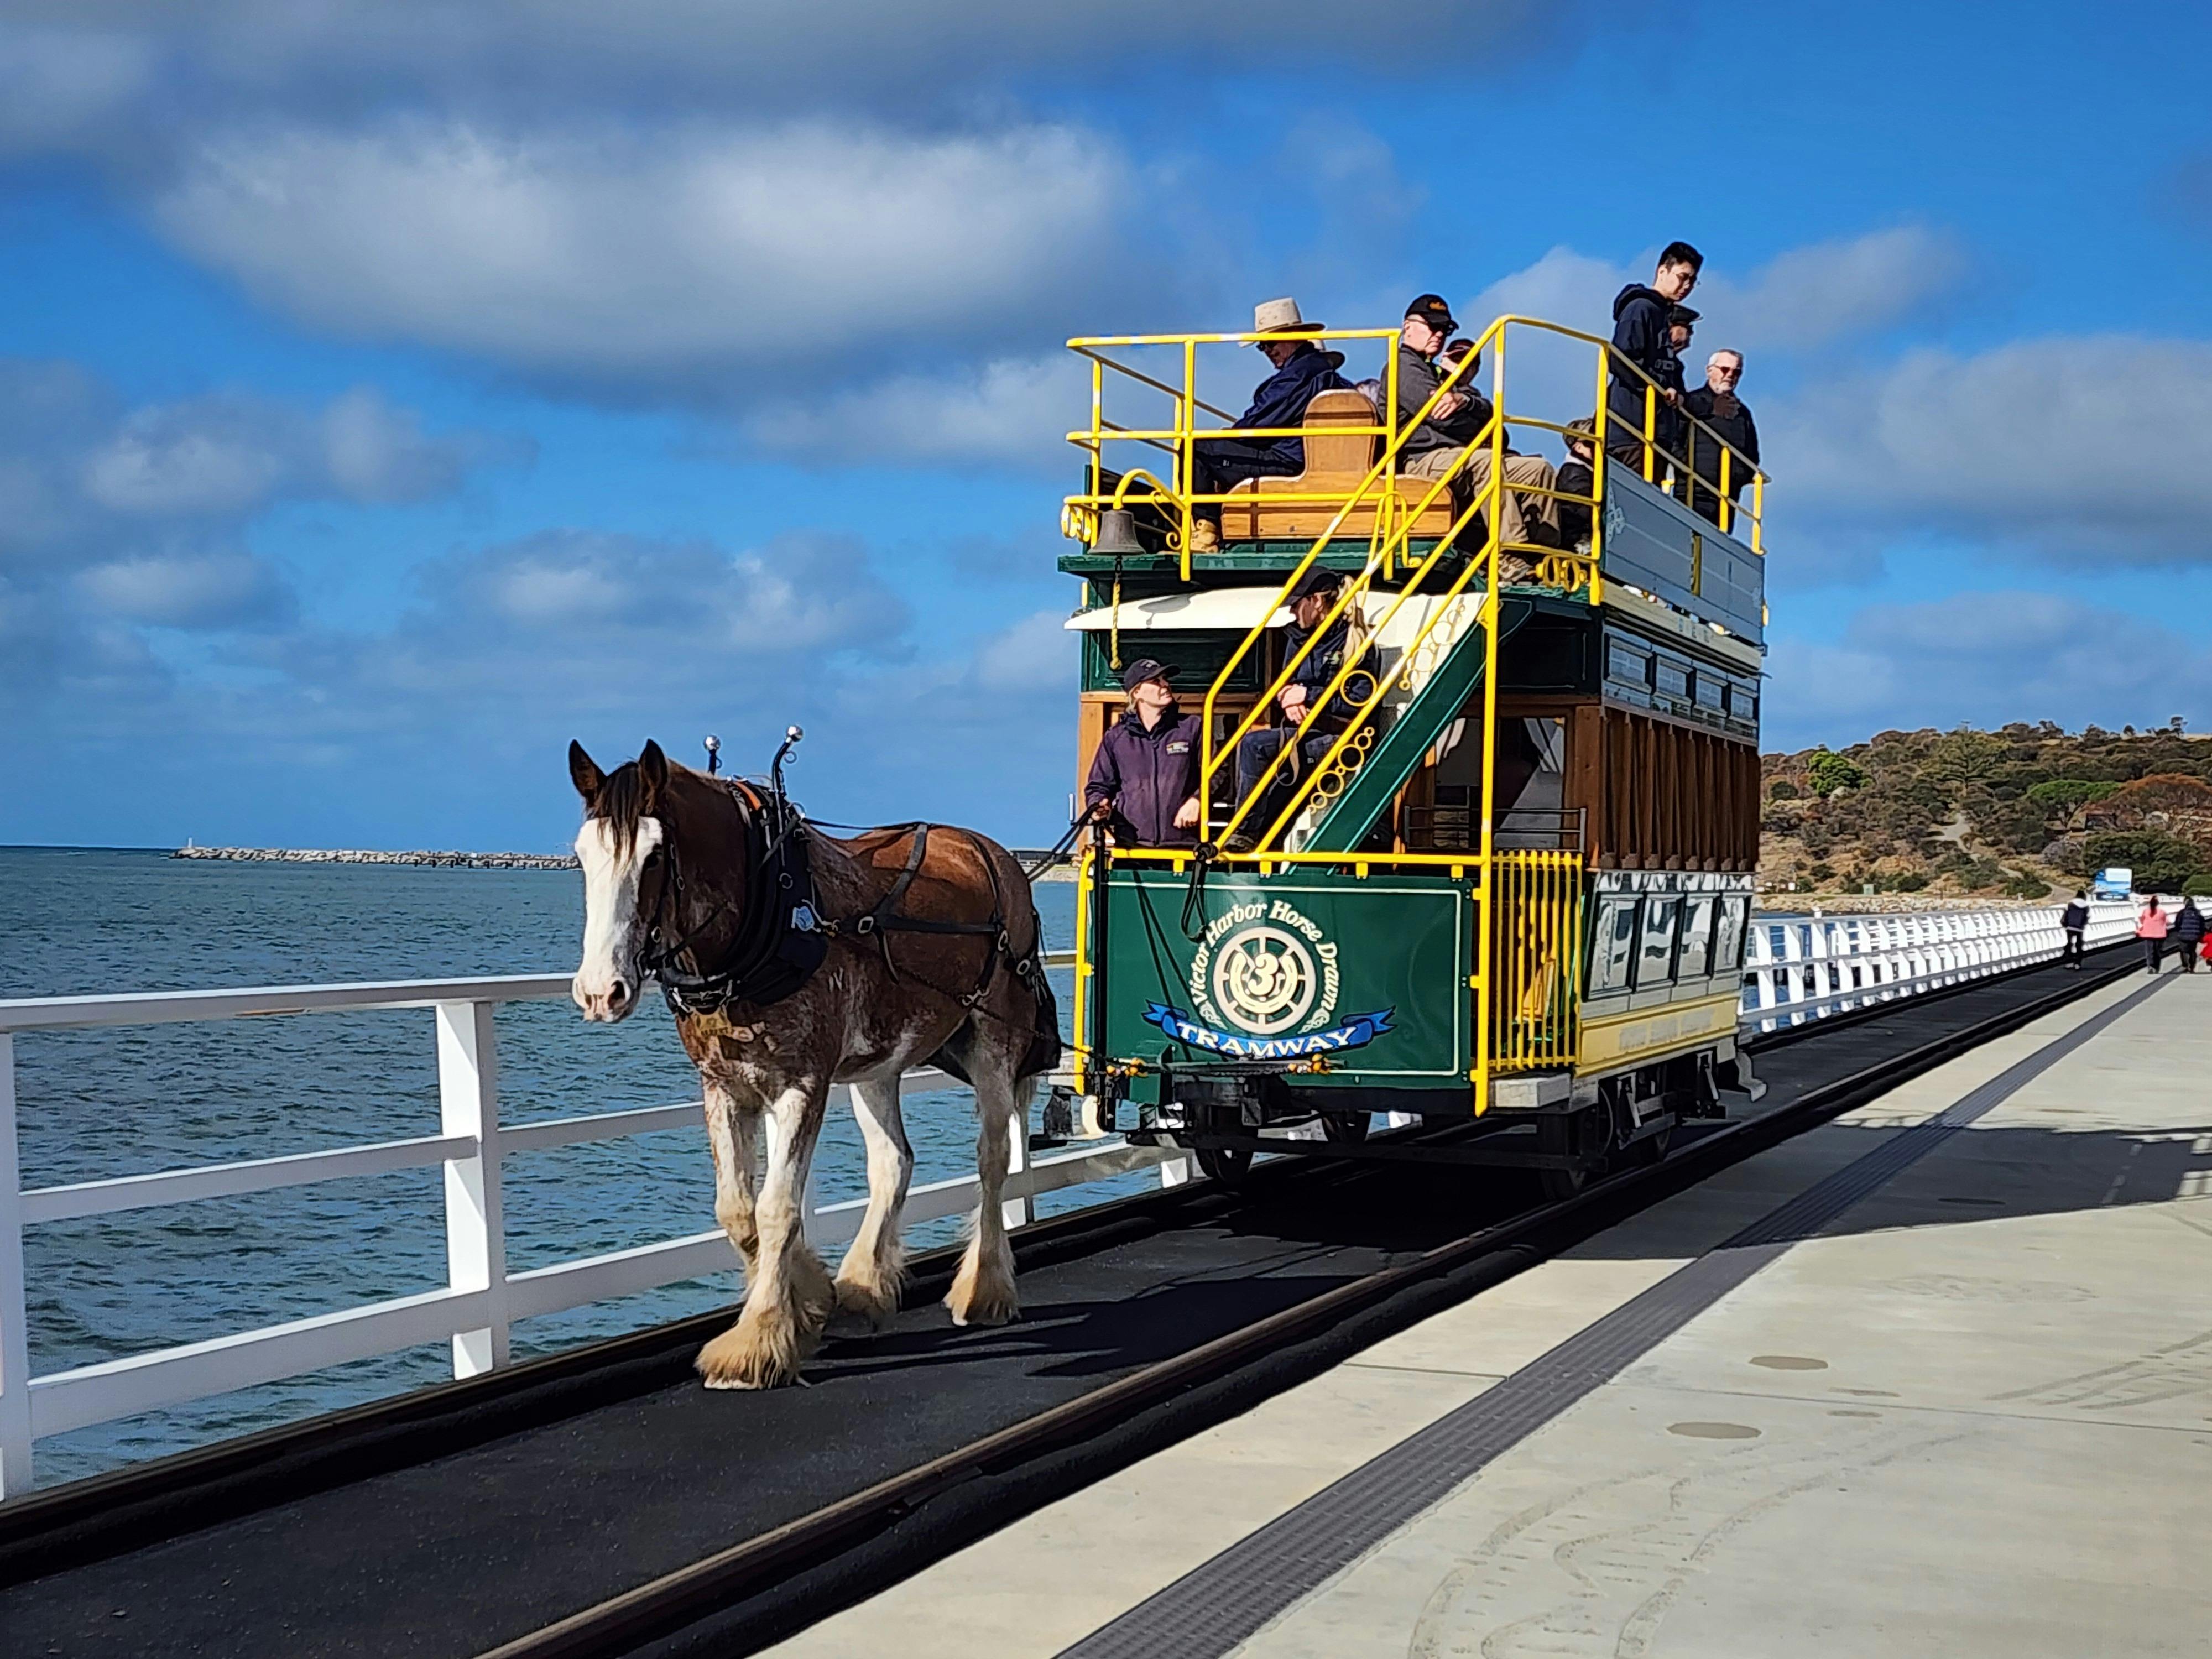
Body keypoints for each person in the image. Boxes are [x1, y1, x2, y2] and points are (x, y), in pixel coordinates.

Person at [1391, 295, 1559, 576]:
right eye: (1432, 326)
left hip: (1456, 458)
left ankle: (1542, 557)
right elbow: (1443, 419)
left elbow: (1488, 418)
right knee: (1485, 460)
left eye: (1444, 329)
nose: (1439, 334)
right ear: (1408, 327)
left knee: (1538, 470)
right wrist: (1472, 418)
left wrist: (1466, 404)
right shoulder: (1404, 367)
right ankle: (1509, 555)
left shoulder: (1435, 372)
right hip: (1421, 461)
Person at [1186, 298, 1351, 553]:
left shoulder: (1298, 375)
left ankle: (1206, 532)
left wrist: (1227, 438)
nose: (1268, 351)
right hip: (1306, 459)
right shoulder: (1322, 375)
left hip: (1289, 462)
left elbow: (1258, 425)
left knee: (1198, 447)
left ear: (1294, 337)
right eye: (1262, 347)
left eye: (1270, 343)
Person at [1225, 568, 1372, 850]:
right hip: (1304, 731)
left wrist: (1308, 695)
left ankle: (1244, 832)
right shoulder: (1298, 639)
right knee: (1257, 752)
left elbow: (1359, 700)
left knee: (1255, 746)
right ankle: (1250, 835)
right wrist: (1288, 699)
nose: (1292, 611)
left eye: (1297, 603)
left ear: (1316, 601)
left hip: (1340, 736)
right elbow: (1288, 683)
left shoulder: (1355, 641)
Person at [1084, 659, 1202, 848]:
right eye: (1156, 681)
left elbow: (1218, 774)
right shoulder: (1116, 737)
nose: (1165, 685)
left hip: (1184, 847)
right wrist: (1098, 805)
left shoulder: (1192, 728)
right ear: (1137, 692)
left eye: (1165, 679)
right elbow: (1099, 785)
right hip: (1131, 848)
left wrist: (1198, 800)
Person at [1608, 241, 1702, 472]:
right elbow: (1621, 359)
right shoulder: (1641, 308)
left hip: (1656, 435)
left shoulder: (1662, 314)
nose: (1687, 285)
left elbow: (1669, 367)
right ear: (1663, 271)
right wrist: (1661, 388)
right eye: (1683, 277)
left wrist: (1677, 393)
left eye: (1692, 280)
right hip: (1632, 432)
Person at [1681, 348, 1761, 529]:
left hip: (1727, 498)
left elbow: (1752, 457)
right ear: (1710, 370)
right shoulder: (1691, 402)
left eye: (1737, 372)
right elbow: (1676, 439)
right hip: (1692, 490)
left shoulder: (1743, 413)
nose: (1730, 375)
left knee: (1714, 549)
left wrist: (1736, 478)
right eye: (1725, 369)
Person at [1555, 416, 1598, 551]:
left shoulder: (1585, 471)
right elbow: (1579, 513)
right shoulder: (1574, 473)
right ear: (1579, 447)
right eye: (1592, 442)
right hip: (1579, 545)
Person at [2136, 895, 2169, 974]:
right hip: (2160, 935)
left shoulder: (2146, 911)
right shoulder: (2162, 912)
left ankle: (2150, 967)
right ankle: (2157, 968)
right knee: (2158, 952)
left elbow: (2142, 921)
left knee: (2149, 952)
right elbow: (2167, 922)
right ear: (2158, 903)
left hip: (2148, 934)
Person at [2174, 896, 2206, 973]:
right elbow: (2202, 925)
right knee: (2192, 951)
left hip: (2184, 935)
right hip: (2195, 936)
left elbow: (2177, 923)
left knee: (2184, 950)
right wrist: (2200, 935)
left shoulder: (2182, 912)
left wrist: (2179, 932)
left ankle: (2186, 966)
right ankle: (2192, 967)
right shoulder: (2198, 913)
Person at [2059, 890, 2089, 969]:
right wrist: (2082, 925)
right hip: (2080, 929)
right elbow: (2087, 918)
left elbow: (2065, 916)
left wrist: (2065, 925)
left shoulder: (2070, 904)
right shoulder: (2086, 906)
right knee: (2079, 945)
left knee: (2070, 944)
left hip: (2070, 927)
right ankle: (2077, 963)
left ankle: (2069, 962)